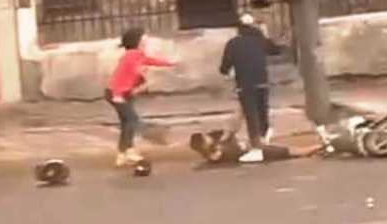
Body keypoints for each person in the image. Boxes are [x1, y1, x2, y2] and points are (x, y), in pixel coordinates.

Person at [106, 27, 176, 167]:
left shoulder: (138, 54)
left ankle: (125, 153)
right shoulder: (132, 54)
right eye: (143, 38)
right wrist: (142, 77)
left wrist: (169, 64)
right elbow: (131, 71)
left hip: (122, 93)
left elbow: (151, 61)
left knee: (127, 123)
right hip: (118, 94)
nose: (146, 40)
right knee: (132, 121)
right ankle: (125, 153)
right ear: (137, 40)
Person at [219, 13, 274, 163]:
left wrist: (228, 72)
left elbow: (224, 67)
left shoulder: (233, 43)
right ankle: (264, 137)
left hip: (245, 84)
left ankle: (257, 149)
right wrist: (264, 33)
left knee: (252, 115)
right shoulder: (260, 40)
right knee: (262, 111)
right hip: (262, 81)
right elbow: (275, 49)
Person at [189, 130, 321, 165]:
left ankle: (317, 148)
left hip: (251, 148)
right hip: (251, 154)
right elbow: (217, 155)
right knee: (289, 152)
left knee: (287, 150)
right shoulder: (213, 154)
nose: (208, 137)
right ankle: (320, 146)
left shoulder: (215, 139)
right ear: (203, 145)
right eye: (205, 138)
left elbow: (228, 133)